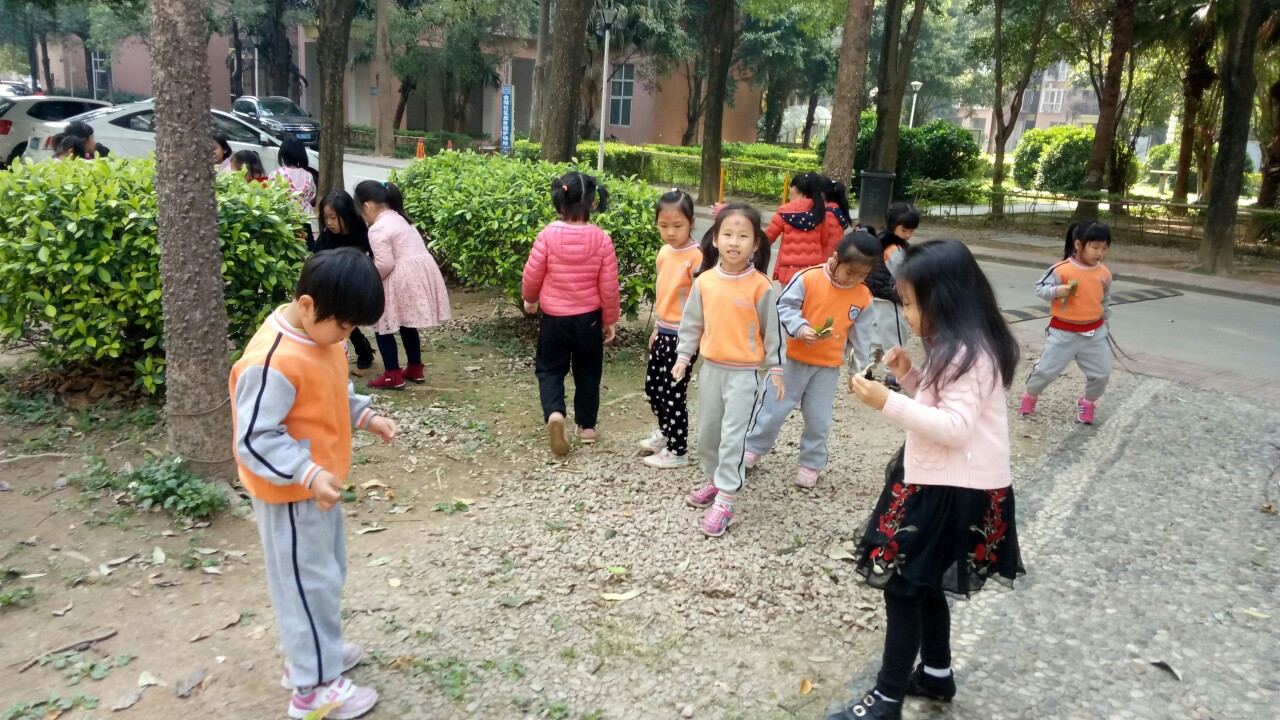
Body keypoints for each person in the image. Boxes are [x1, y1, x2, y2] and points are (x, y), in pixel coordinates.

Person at [838, 239, 1023, 720]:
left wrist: (888, 402)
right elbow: (944, 403)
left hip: (951, 488)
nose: (906, 313)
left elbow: (956, 428)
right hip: (941, 480)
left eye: (910, 303)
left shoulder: (969, 354)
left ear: (945, 300)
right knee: (924, 581)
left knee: (904, 585)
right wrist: (910, 377)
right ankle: (937, 673)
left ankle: (886, 700)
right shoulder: (956, 346)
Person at [229, 248, 397, 720]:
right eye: (343, 326)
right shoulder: (273, 361)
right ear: (307, 305)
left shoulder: (319, 337)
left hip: (318, 486)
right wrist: (307, 472)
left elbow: (333, 389)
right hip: (291, 494)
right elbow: (254, 438)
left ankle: (317, 654)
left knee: (324, 576)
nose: (346, 336)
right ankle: (311, 690)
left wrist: (365, 416)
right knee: (307, 584)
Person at [674, 204, 783, 537]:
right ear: (715, 239)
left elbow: (772, 331)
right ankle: (714, 479)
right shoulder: (705, 282)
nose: (735, 242)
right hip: (711, 371)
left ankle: (726, 500)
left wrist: (776, 368)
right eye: (728, 234)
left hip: (743, 375)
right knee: (708, 433)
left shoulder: (761, 286)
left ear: (756, 244)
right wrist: (683, 356)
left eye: (743, 236)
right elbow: (692, 324)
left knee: (733, 436)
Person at [742, 230, 877, 487]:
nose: (854, 280)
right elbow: (783, 307)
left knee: (819, 418)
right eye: (850, 273)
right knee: (772, 409)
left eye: (863, 275)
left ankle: (812, 463)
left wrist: (857, 371)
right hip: (791, 360)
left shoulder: (863, 297)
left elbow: (862, 337)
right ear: (835, 259)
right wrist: (801, 329)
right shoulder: (808, 278)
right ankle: (753, 448)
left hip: (827, 368)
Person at [522, 171, 620, 455]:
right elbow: (609, 286)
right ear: (593, 203)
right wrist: (609, 319)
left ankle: (555, 413)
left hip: (554, 319)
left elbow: (532, 274)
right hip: (588, 319)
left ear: (559, 201)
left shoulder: (547, 235)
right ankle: (587, 427)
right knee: (588, 372)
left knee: (550, 369)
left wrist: (530, 300)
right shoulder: (602, 239)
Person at [353, 180, 451, 390]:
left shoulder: (377, 228)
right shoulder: (401, 220)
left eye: (361, 212)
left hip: (398, 278)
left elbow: (384, 264)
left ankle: (392, 374)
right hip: (416, 276)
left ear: (367, 206)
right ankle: (415, 368)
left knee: (382, 324)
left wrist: (371, 280)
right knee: (407, 323)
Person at [1020, 221, 1113, 425]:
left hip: (1094, 333)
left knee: (1102, 373)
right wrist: (1057, 291)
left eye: (1104, 248)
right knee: (1045, 371)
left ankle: (1088, 402)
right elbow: (1040, 288)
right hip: (1063, 332)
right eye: (1095, 247)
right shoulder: (1061, 269)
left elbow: (1104, 300)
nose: (1100, 253)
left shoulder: (1104, 274)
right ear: (1078, 245)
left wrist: (1105, 322)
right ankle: (1030, 396)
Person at [640, 189, 702, 469]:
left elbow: (702, 302)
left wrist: (697, 337)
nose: (670, 232)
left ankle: (678, 450)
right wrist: (657, 326)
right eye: (663, 226)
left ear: (691, 222)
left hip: (683, 337)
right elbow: (663, 291)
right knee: (654, 388)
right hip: (663, 332)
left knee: (673, 392)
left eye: (677, 225)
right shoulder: (664, 252)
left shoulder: (698, 257)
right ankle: (666, 433)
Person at [316, 190, 377, 375]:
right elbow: (316, 258)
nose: (329, 223)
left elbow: (376, 255)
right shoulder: (326, 237)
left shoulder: (361, 233)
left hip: (356, 284)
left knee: (347, 319)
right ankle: (362, 349)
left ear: (347, 215)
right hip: (333, 286)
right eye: (325, 218)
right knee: (341, 319)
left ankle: (363, 349)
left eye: (333, 218)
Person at [865, 202, 919, 390]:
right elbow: (905, 276)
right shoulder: (894, 249)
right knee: (895, 338)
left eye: (911, 231)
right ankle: (892, 376)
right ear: (893, 225)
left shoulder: (880, 241)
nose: (908, 235)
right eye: (904, 230)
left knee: (874, 336)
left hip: (875, 297)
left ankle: (865, 369)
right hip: (891, 300)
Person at [765, 171, 841, 284]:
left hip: (788, 270)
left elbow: (767, 238)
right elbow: (824, 240)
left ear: (794, 189)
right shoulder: (820, 211)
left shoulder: (784, 211)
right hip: (813, 271)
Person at [272, 139, 319, 250]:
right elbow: (311, 194)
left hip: (284, 217)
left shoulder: (276, 175)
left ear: (283, 154)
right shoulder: (308, 175)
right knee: (309, 243)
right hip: (303, 218)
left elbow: (271, 195)